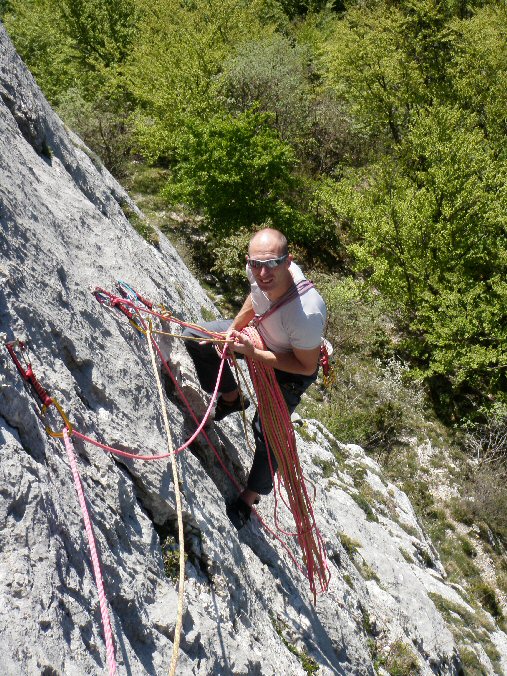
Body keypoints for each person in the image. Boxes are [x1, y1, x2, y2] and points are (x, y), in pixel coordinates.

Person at [183, 228, 327, 529]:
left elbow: (305, 366)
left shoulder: (308, 313)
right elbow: (255, 297)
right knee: (198, 339)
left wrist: (255, 354)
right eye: (256, 264)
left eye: (272, 263)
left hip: (289, 368)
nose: (263, 272)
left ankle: (249, 497)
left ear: (288, 262)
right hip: (260, 339)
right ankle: (232, 398)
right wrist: (232, 330)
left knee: (269, 431)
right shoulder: (259, 272)